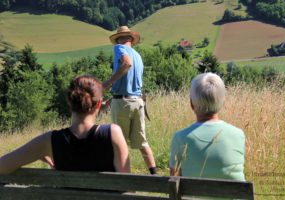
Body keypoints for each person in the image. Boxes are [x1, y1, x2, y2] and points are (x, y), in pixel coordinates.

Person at [0, 75, 130, 174]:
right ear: (98, 104)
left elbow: (2, 165)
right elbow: (128, 186)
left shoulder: (49, 140)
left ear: (69, 102)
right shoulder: (113, 133)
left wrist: (38, 151)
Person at [169, 73, 245, 181]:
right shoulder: (238, 135)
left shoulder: (180, 138)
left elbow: (174, 180)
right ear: (223, 102)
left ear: (191, 104)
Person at [103, 26, 157, 175]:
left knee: (119, 143)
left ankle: (123, 179)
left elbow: (126, 64)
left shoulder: (119, 49)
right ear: (131, 40)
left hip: (123, 104)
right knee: (142, 143)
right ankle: (155, 175)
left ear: (120, 39)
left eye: (118, 39)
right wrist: (110, 99)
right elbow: (129, 83)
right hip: (138, 102)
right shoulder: (138, 56)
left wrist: (107, 84)